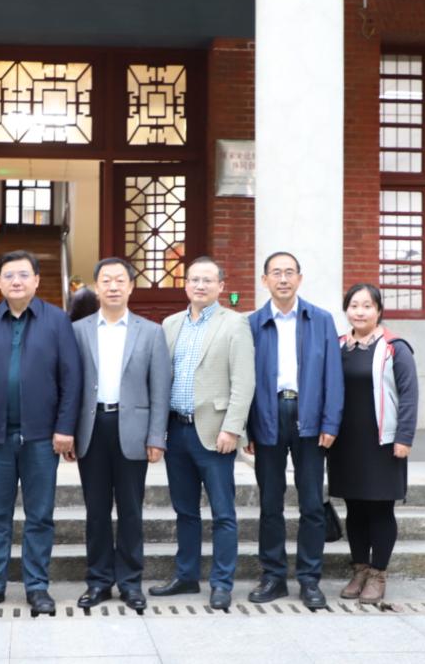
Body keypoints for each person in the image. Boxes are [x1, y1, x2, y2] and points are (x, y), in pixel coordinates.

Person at [0, 249, 82, 617]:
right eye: (9, 275)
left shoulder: (57, 320)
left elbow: (71, 379)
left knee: (39, 516)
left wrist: (65, 427)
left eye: (24, 275)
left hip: (42, 438)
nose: (16, 281)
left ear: (37, 280)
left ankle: (37, 586)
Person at [149, 256, 254, 611]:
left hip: (214, 433)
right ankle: (186, 575)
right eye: (194, 279)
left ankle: (222, 583)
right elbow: (160, 379)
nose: (200, 285)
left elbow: (244, 382)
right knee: (185, 511)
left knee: (223, 513)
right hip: (176, 431)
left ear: (221, 286)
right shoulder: (170, 324)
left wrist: (232, 428)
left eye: (208, 280)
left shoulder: (235, 323)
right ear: (185, 284)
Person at [72, 258, 171, 613]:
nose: (113, 286)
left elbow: (160, 389)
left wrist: (157, 436)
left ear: (131, 286)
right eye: (106, 280)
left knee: (131, 510)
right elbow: (70, 385)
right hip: (91, 427)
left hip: (133, 430)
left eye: (119, 280)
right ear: (96, 287)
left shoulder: (151, 332)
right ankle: (98, 581)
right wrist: (68, 431)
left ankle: (130, 582)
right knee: (96, 510)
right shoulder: (78, 330)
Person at [246, 251, 343, 610]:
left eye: (289, 272)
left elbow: (333, 374)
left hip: (309, 417)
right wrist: (247, 428)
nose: (283, 279)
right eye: (276, 273)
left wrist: (331, 422)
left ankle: (309, 579)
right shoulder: (252, 324)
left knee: (312, 504)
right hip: (268, 416)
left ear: (300, 279)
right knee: (270, 503)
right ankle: (273, 576)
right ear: (265, 280)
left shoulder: (320, 320)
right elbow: (243, 378)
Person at [330, 283, 418, 605]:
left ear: (379, 310)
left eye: (367, 306)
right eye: (354, 305)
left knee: (380, 509)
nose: (360, 312)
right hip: (346, 443)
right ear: (346, 310)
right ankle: (360, 569)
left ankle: (378, 574)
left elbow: (409, 395)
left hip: (383, 442)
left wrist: (404, 437)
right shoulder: (338, 346)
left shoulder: (395, 347)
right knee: (354, 508)